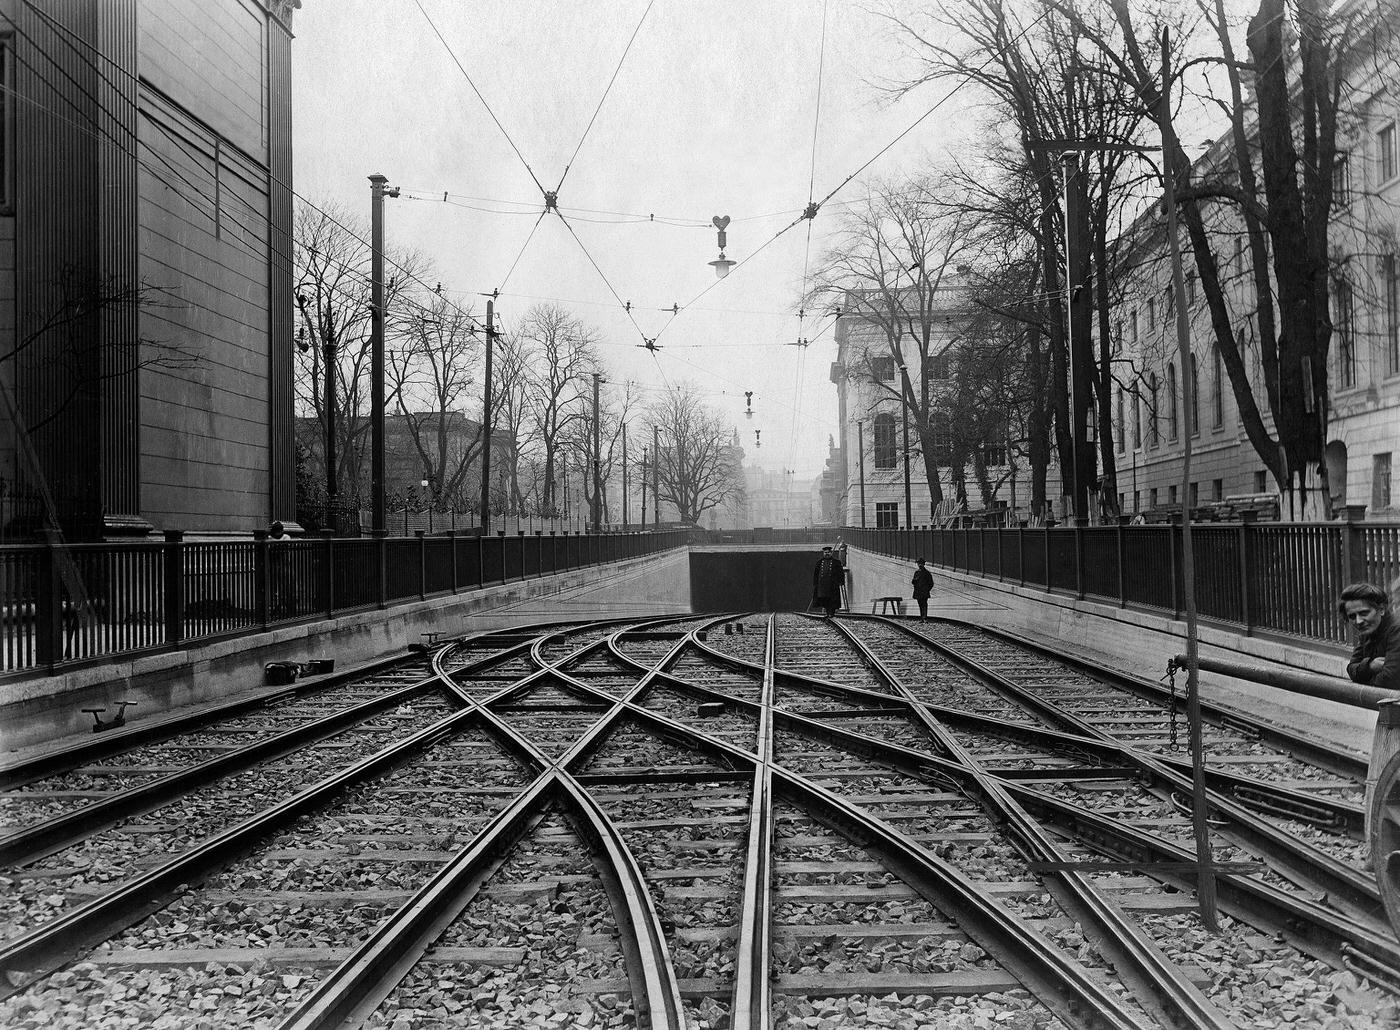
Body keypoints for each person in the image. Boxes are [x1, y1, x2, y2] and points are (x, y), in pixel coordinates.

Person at [1338, 582, 1400, 691]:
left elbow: (1389, 680)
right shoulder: (1368, 630)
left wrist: (1363, 678)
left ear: (1381, 609)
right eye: (1352, 616)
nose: (1358, 621)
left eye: (1364, 613)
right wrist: (1370, 666)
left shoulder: (1396, 630)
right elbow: (1351, 668)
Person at [812, 545, 845, 618]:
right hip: (822, 585)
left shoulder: (836, 562)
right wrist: (815, 583)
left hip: (833, 585)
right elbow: (816, 574)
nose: (827, 554)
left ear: (831, 553)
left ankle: (832, 613)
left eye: (828, 552)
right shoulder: (819, 563)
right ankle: (827, 612)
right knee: (825, 599)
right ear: (823, 553)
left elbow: (840, 573)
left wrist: (841, 581)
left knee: (832, 599)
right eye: (825, 552)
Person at [911, 558, 933, 622]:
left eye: (921, 563)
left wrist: (927, 590)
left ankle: (924, 618)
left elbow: (931, 583)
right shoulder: (916, 572)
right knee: (920, 604)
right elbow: (913, 582)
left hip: (924, 592)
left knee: (924, 604)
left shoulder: (927, 573)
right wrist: (915, 580)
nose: (920, 565)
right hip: (918, 592)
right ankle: (922, 618)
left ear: (924, 564)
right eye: (919, 563)